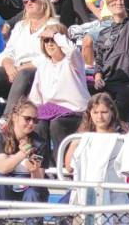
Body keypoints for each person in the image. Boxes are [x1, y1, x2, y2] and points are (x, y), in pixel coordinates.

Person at [28, 23, 89, 163]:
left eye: (53, 40)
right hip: (49, 113)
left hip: (75, 114)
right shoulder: (43, 66)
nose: (50, 43)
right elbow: (35, 99)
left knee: (57, 124)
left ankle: (61, 167)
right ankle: (41, 167)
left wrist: (55, 34)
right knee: (37, 123)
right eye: (46, 40)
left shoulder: (73, 62)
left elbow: (73, 51)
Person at [0, 0, 54, 119]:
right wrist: (9, 66)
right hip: (14, 71)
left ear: (44, 4)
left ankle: (6, 119)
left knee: (24, 74)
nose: (29, 3)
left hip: (37, 74)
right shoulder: (20, 26)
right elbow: (7, 52)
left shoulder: (53, 26)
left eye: (33, 0)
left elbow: (49, 57)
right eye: (25, 0)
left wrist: (21, 68)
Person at [63, 93, 128, 206]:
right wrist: (75, 143)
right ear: (90, 114)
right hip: (86, 190)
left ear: (112, 112)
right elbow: (69, 167)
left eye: (104, 112)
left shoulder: (123, 135)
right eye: (95, 112)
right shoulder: (82, 136)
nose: (99, 117)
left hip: (114, 192)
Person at [0, 98, 48, 209]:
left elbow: (39, 183)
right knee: (0, 180)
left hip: (29, 187)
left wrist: (34, 171)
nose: (31, 123)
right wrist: (23, 153)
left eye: (35, 120)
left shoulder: (40, 143)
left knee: (33, 193)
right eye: (27, 119)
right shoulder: (1, 138)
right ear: (15, 117)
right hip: (6, 188)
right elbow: (3, 168)